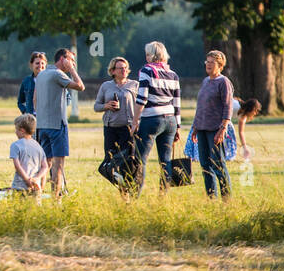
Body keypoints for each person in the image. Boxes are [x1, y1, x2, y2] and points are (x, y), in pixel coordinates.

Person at [32, 48, 84, 198]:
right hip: (57, 125)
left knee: (45, 164)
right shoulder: (58, 74)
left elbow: (35, 99)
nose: (73, 63)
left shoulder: (41, 74)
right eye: (71, 60)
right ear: (62, 59)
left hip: (42, 126)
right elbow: (80, 86)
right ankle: (56, 199)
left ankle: (38, 195)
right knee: (58, 165)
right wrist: (72, 70)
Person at [132, 40, 181, 195]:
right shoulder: (173, 74)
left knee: (141, 159)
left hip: (152, 119)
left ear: (153, 55)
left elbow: (142, 99)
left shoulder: (147, 70)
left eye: (148, 53)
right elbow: (176, 102)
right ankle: (163, 196)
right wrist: (178, 127)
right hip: (170, 120)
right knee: (165, 161)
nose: (146, 57)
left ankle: (135, 194)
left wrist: (135, 121)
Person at [193, 50, 233, 200]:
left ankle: (226, 199)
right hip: (202, 128)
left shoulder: (223, 82)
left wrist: (222, 129)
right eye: (207, 61)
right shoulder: (205, 81)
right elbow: (201, 106)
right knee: (205, 166)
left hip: (215, 130)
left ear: (220, 65)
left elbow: (227, 107)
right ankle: (211, 198)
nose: (208, 65)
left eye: (212, 62)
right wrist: (195, 127)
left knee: (218, 165)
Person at [94, 55, 139, 190]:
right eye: (120, 68)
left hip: (128, 128)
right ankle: (120, 185)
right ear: (113, 71)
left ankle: (128, 189)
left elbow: (142, 105)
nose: (123, 70)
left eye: (125, 68)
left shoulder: (135, 85)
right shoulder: (106, 86)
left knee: (127, 162)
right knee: (110, 161)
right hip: (110, 128)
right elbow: (96, 106)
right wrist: (106, 106)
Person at [9, 114, 47, 198]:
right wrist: (37, 179)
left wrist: (27, 180)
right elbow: (45, 167)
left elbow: (17, 166)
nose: (15, 132)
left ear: (22, 130)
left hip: (20, 186)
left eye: (16, 129)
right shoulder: (38, 146)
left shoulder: (15, 145)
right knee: (35, 210)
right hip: (36, 187)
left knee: (19, 209)